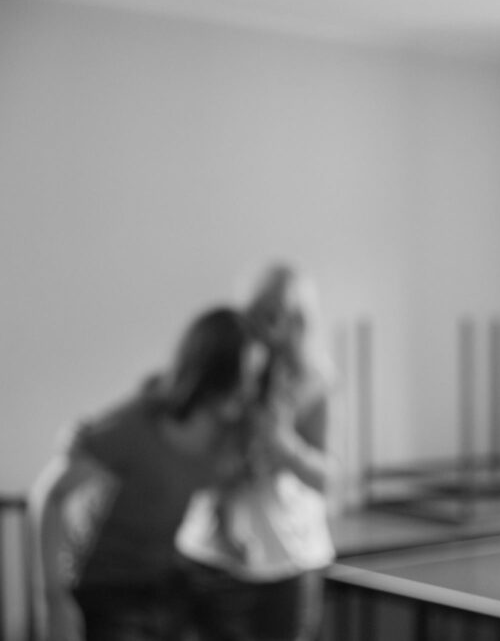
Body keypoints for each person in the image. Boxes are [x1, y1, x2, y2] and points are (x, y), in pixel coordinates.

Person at [29, 307, 264, 641]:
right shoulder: (136, 425)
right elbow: (50, 494)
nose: (250, 389)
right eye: (245, 376)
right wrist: (54, 599)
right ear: (214, 371)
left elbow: (217, 487)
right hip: (105, 585)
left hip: (161, 581)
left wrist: (228, 533)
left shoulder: (223, 437)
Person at [178, 264, 337, 641]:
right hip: (214, 553)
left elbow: (329, 478)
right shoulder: (229, 368)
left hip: (288, 558)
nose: (268, 327)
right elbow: (193, 451)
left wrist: (287, 448)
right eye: (259, 314)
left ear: (298, 321)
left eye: (277, 316)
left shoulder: (313, 383)